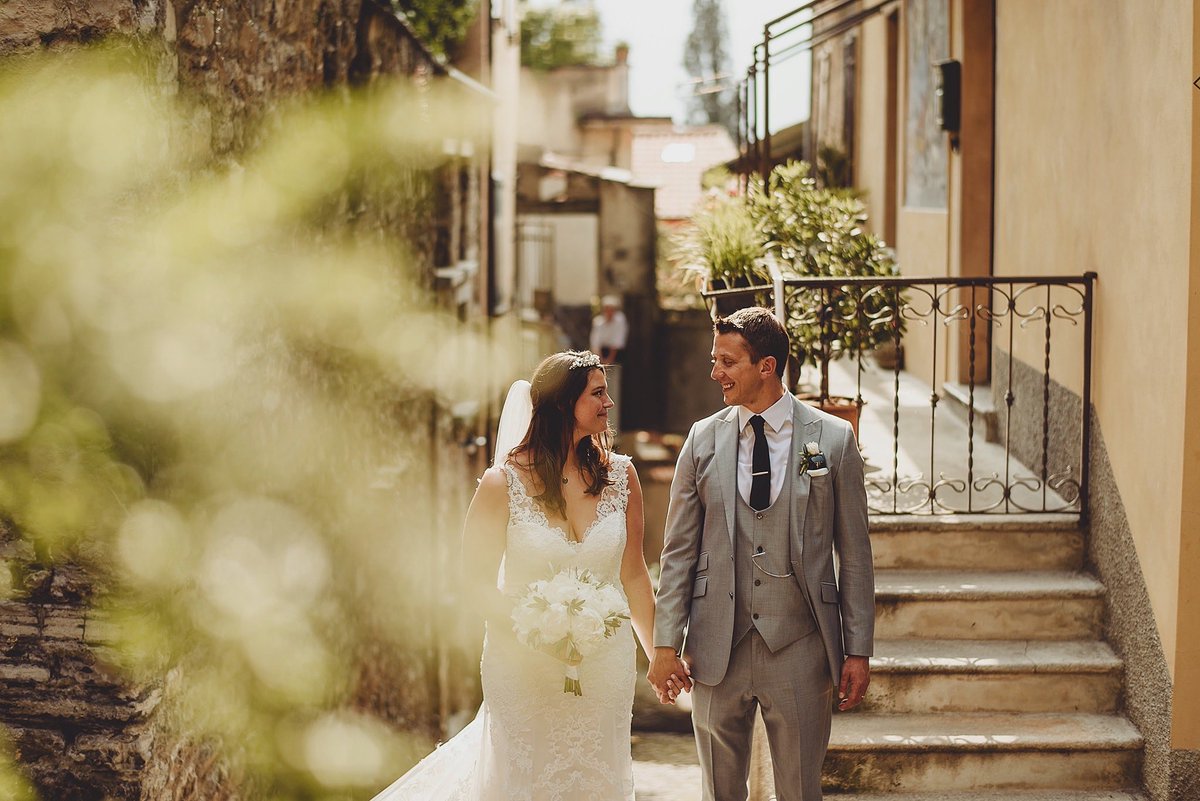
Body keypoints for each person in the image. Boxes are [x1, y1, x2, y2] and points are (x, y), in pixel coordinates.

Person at [371, 350, 674, 800]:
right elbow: (472, 582)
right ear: (560, 404)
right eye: (597, 393)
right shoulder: (502, 483)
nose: (608, 403)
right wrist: (536, 631)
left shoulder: (621, 477)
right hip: (522, 663)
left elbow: (632, 577)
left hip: (603, 665)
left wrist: (658, 656)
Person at [647, 307, 875, 801]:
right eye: (715, 360)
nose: (715, 373)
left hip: (800, 644)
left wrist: (858, 650)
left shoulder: (832, 440)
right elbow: (678, 551)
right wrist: (667, 643)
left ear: (766, 366)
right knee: (719, 793)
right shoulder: (701, 439)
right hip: (714, 648)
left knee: (798, 790)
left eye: (727, 362)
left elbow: (854, 554)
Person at [589, 295, 628, 365]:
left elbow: (617, 341)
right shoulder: (598, 322)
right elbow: (595, 342)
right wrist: (599, 359)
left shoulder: (620, 320)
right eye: (607, 309)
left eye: (611, 309)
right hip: (600, 354)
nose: (609, 312)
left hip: (615, 354)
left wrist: (609, 360)